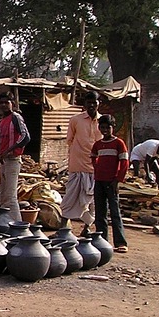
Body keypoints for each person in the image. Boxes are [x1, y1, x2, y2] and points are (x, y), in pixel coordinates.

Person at [61, 91, 102, 234]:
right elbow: (69, 140)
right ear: (84, 104)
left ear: (98, 104)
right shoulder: (75, 120)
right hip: (77, 166)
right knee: (70, 198)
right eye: (88, 103)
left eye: (94, 103)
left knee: (91, 201)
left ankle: (87, 228)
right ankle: (63, 228)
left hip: (95, 168)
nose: (91, 105)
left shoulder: (103, 121)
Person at [91, 114, 129, 253]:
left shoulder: (119, 143)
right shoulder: (98, 144)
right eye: (102, 127)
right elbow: (93, 158)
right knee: (100, 213)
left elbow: (124, 163)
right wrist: (98, 170)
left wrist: (117, 180)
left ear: (113, 128)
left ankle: (120, 242)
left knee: (115, 212)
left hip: (111, 182)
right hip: (99, 181)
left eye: (108, 127)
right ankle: (102, 242)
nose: (105, 130)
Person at [0, 92, 31, 222]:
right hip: (3, 162)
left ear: (12, 104)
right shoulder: (1, 121)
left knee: (10, 197)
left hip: (13, 160)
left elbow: (25, 137)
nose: (3, 105)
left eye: (6, 102)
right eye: (1, 103)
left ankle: (18, 227)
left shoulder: (16, 118)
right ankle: (6, 224)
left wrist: (10, 150)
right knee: (3, 196)